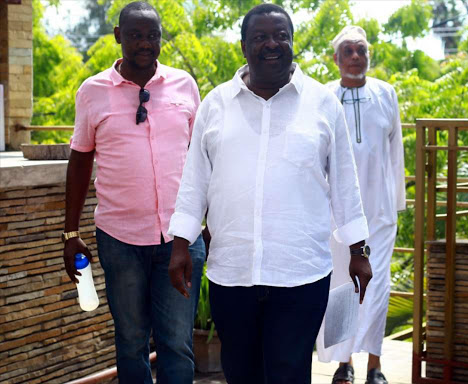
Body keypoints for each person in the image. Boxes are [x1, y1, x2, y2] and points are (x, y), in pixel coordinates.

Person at [167, 4, 372, 383]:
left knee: (288, 373)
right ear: (244, 46)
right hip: (233, 273)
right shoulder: (215, 104)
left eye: (281, 36)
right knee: (241, 373)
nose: (272, 44)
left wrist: (358, 251)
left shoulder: (322, 103)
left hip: (301, 273)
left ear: (292, 43)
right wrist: (181, 243)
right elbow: (194, 181)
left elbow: (346, 182)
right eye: (260, 37)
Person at [61, 2, 205, 383]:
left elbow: (204, 158)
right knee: (130, 341)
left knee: (177, 343)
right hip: (119, 239)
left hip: (180, 238)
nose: (146, 43)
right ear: (118, 37)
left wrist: (209, 221)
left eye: (153, 35)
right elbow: (79, 163)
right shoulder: (92, 92)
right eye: (137, 35)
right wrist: (70, 234)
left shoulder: (184, 85)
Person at [315, 26, 406, 384]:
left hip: (379, 216)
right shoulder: (323, 97)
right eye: (348, 51)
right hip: (338, 217)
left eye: (362, 50)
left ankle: (375, 365)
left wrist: (396, 203)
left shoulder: (386, 94)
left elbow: (395, 152)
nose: (356, 57)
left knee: (378, 290)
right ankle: (343, 363)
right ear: (336, 59)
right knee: (341, 289)